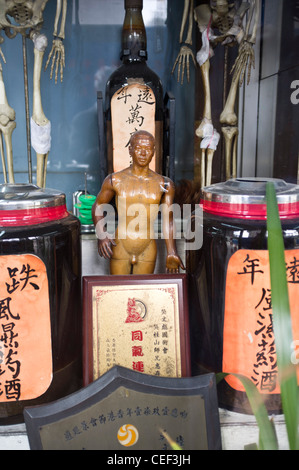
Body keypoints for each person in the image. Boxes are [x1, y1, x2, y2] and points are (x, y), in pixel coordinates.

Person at [92, 130, 185, 275]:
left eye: (148, 149)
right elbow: (98, 205)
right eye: (138, 148)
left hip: (147, 248)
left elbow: (169, 219)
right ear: (130, 150)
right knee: (117, 292)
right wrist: (102, 233)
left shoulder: (165, 184)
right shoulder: (114, 180)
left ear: (154, 152)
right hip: (120, 245)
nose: (143, 153)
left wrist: (171, 251)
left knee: (142, 293)